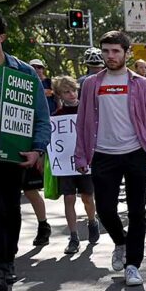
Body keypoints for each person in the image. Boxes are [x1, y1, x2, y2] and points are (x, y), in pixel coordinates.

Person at [75, 31, 146, 287]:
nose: (110, 56)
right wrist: (81, 153)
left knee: (137, 211)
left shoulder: (142, 84)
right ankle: (120, 240)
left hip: (135, 153)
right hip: (103, 154)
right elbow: (83, 121)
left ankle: (133, 265)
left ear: (127, 53)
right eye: (106, 51)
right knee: (105, 209)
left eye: (116, 51)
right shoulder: (91, 84)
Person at [0, 14, 51, 291]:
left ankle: (4, 265)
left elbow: (42, 116)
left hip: (11, 155)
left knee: (7, 209)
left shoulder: (23, 73)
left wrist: (38, 149)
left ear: (1, 37)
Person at [51, 76, 100, 254]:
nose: (72, 94)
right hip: (65, 165)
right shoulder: (55, 118)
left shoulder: (87, 111)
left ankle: (92, 221)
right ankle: (73, 236)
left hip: (86, 163)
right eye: (66, 91)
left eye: (73, 90)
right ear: (59, 95)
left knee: (87, 197)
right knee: (69, 198)